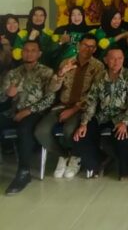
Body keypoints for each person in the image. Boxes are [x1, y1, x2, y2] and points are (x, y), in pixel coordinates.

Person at [34, 34, 103, 179]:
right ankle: (63, 155)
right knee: (41, 131)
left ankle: (76, 157)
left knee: (70, 130)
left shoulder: (98, 66)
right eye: (85, 45)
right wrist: (60, 74)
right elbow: (53, 89)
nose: (87, 49)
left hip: (82, 108)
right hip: (61, 105)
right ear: (78, 45)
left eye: (91, 47)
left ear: (95, 49)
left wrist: (74, 109)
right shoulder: (67, 62)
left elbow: (95, 94)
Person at [72, 47, 128, 180]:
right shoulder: (100, 76)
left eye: (120, 58)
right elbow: (92, 101)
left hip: (121, 115)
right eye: (113, 58)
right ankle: (99, 161)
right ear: (106, 60)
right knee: (81, 137)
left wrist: (125, 122)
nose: (116, 61)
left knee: (121, 137)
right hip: (102, 115)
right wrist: (84, 123)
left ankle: (124, 171)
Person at [1, 41, 55, 195]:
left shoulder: (47, 72)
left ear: (39, 54)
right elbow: (2, 98)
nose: (29, 53)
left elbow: (50, 99)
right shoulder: (13, 73)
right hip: (13, 112)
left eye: (33, 50)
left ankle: (24, 172)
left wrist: (29, 110)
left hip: (36, 113)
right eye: (26, 50)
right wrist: (7, 94)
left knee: (24, 129)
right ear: (21, 52)